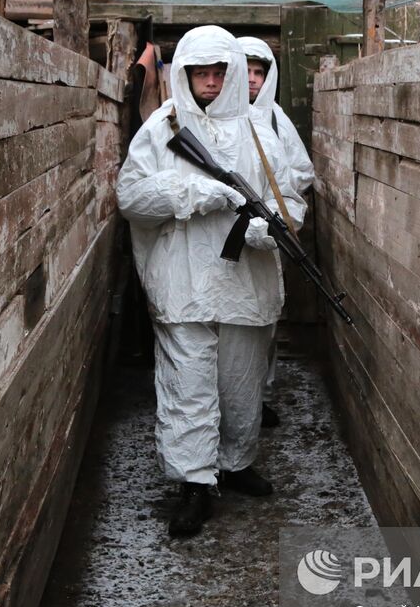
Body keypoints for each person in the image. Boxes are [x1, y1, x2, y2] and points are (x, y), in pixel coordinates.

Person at [117, 26, 307, 537]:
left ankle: (237, 463)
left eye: (217, 71)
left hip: (247, 284)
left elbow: (293, 202)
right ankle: (194, 483)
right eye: (198, 72)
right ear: (184, 74)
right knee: (187, 386)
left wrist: (271, 230)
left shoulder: (262, 133)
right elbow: (131, 198)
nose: (208, 81)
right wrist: (195, 192)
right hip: (183, 284)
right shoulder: (162, 129)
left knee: (241, 385)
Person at [238, 37, 315, 428]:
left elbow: (301, 171)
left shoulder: (275, 119)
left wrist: (274, 192)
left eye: (259, 73)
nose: (252, 80)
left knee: (265, 319)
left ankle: (259, 398)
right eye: (246, 70)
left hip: (264, 233)